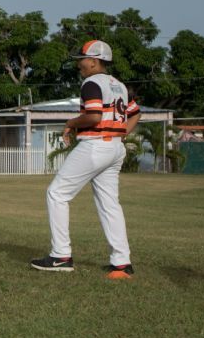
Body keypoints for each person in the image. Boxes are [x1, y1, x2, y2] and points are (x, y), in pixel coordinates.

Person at [31, 40, 140, 276]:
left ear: (94, 60)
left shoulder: (91, 83)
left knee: (57, 193)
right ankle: (122, 261)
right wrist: (119, 134)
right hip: (114, 148)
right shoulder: (119, 85)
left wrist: (70, 123)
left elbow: (93, 117)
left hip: (95, 145)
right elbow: (135, 113)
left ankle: (60, 256)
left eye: (82, 59)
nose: (79, 64)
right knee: (109, 204)